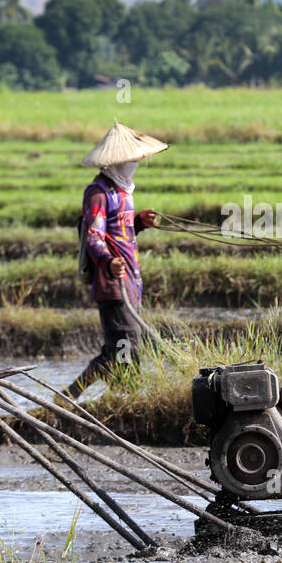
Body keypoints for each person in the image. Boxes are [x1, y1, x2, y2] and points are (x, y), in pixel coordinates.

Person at [66, 123, 169, 397]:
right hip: (113, 283)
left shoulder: (124, 192)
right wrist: (110, 261)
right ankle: (126, 397)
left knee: (119, 346)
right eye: (129, 160)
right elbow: (94, 237)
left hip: (131, 279)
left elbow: (119, 231)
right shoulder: (99, 193)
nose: (133, 164)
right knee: (127, 344)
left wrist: (140, 222)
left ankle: (75, 396)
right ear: (115, 162)